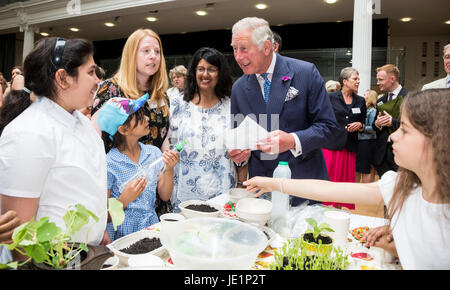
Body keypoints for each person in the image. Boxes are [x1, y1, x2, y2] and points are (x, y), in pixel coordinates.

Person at [244, 89, 450, 270]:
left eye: (404, 129)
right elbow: (329, 190)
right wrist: (272, 183)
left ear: (438, 140)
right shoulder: (403, 187)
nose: (393, 136)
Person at [0, 37, 108, 259]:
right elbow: (20, 237)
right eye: (90, 72)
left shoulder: (83, 122)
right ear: (62, 78)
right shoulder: (29, 132)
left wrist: (98, 231)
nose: (98, 80)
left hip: (87, 256)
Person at [228, 17, 337, 207]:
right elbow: (239, 136)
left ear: (267, 47)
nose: (238, 56)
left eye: (244, 48)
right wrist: (239, 155)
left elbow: (328, 128)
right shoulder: (238, 88)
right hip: (262, 188)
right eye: (234, 49)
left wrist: (292, 141)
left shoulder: (305, 73)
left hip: (303, 184)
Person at [91, 28, 172, 217]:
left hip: (153, 195)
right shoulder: (110, 89)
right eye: (146, 51)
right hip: (118, 194)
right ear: (131, 55)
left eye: (157, 52)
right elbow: (93, 141)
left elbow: (164, 142)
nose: (153, 57)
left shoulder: (161, 95)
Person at [97, 95, 178, 241]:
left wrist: (169, 169)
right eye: (139, 117)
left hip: (152, 231)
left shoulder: (153, 153)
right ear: (123, 129)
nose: (147, 119)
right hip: (124, 237)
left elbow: (165, 195)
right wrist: (123, 200)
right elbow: (104, 217)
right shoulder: (109, 164)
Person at [168, 47, 237, 211]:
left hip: (223, 191)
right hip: (185, 192)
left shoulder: (232, 105)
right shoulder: (178, 104)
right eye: (201, 69)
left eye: (212, 69)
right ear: (193, 72)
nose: (205, 74)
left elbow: (241, 151)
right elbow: (173, 143)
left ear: (220, 74)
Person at [322, 67, 366, 210]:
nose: (358, 81)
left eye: (358, 79)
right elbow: (322, 119)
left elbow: (364, 124)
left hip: (349, 148)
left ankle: (338, 212)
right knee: (328, 183)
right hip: (331, 146)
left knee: (343, 185)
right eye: (355, 79)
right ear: (345, 81)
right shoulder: (330, 98)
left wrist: (360, 125)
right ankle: (322, 212)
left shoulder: (360, 101)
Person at [373, 64, 409, 177]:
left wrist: (392, 122)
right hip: (382, 154)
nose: (377, 83)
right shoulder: (381, 100)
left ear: (392, 79)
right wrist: (377, 124)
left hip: (402, 152)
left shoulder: (409, 97)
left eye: (380, 79)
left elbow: (413, 125)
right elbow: (375, 126)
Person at [356, 90, 378, 183]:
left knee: (366, 169)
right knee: (359, 169)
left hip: (367, 143)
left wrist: (361, 127)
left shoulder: (372, 111)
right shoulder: (364, 109)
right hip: (360, 142)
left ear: (370, 97)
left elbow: (374, 128)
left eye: (365, 95)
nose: (363, 96)